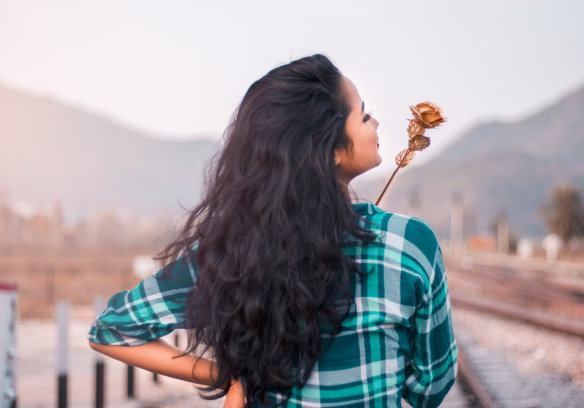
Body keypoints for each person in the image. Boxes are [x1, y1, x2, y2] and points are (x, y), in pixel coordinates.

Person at [88, 54, 457, 408]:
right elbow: (430, 390)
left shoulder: (231, 252)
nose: (375, 123)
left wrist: (229, 375)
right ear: (329, 150)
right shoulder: (409, 245)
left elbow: (112, 330)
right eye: (364, 116)